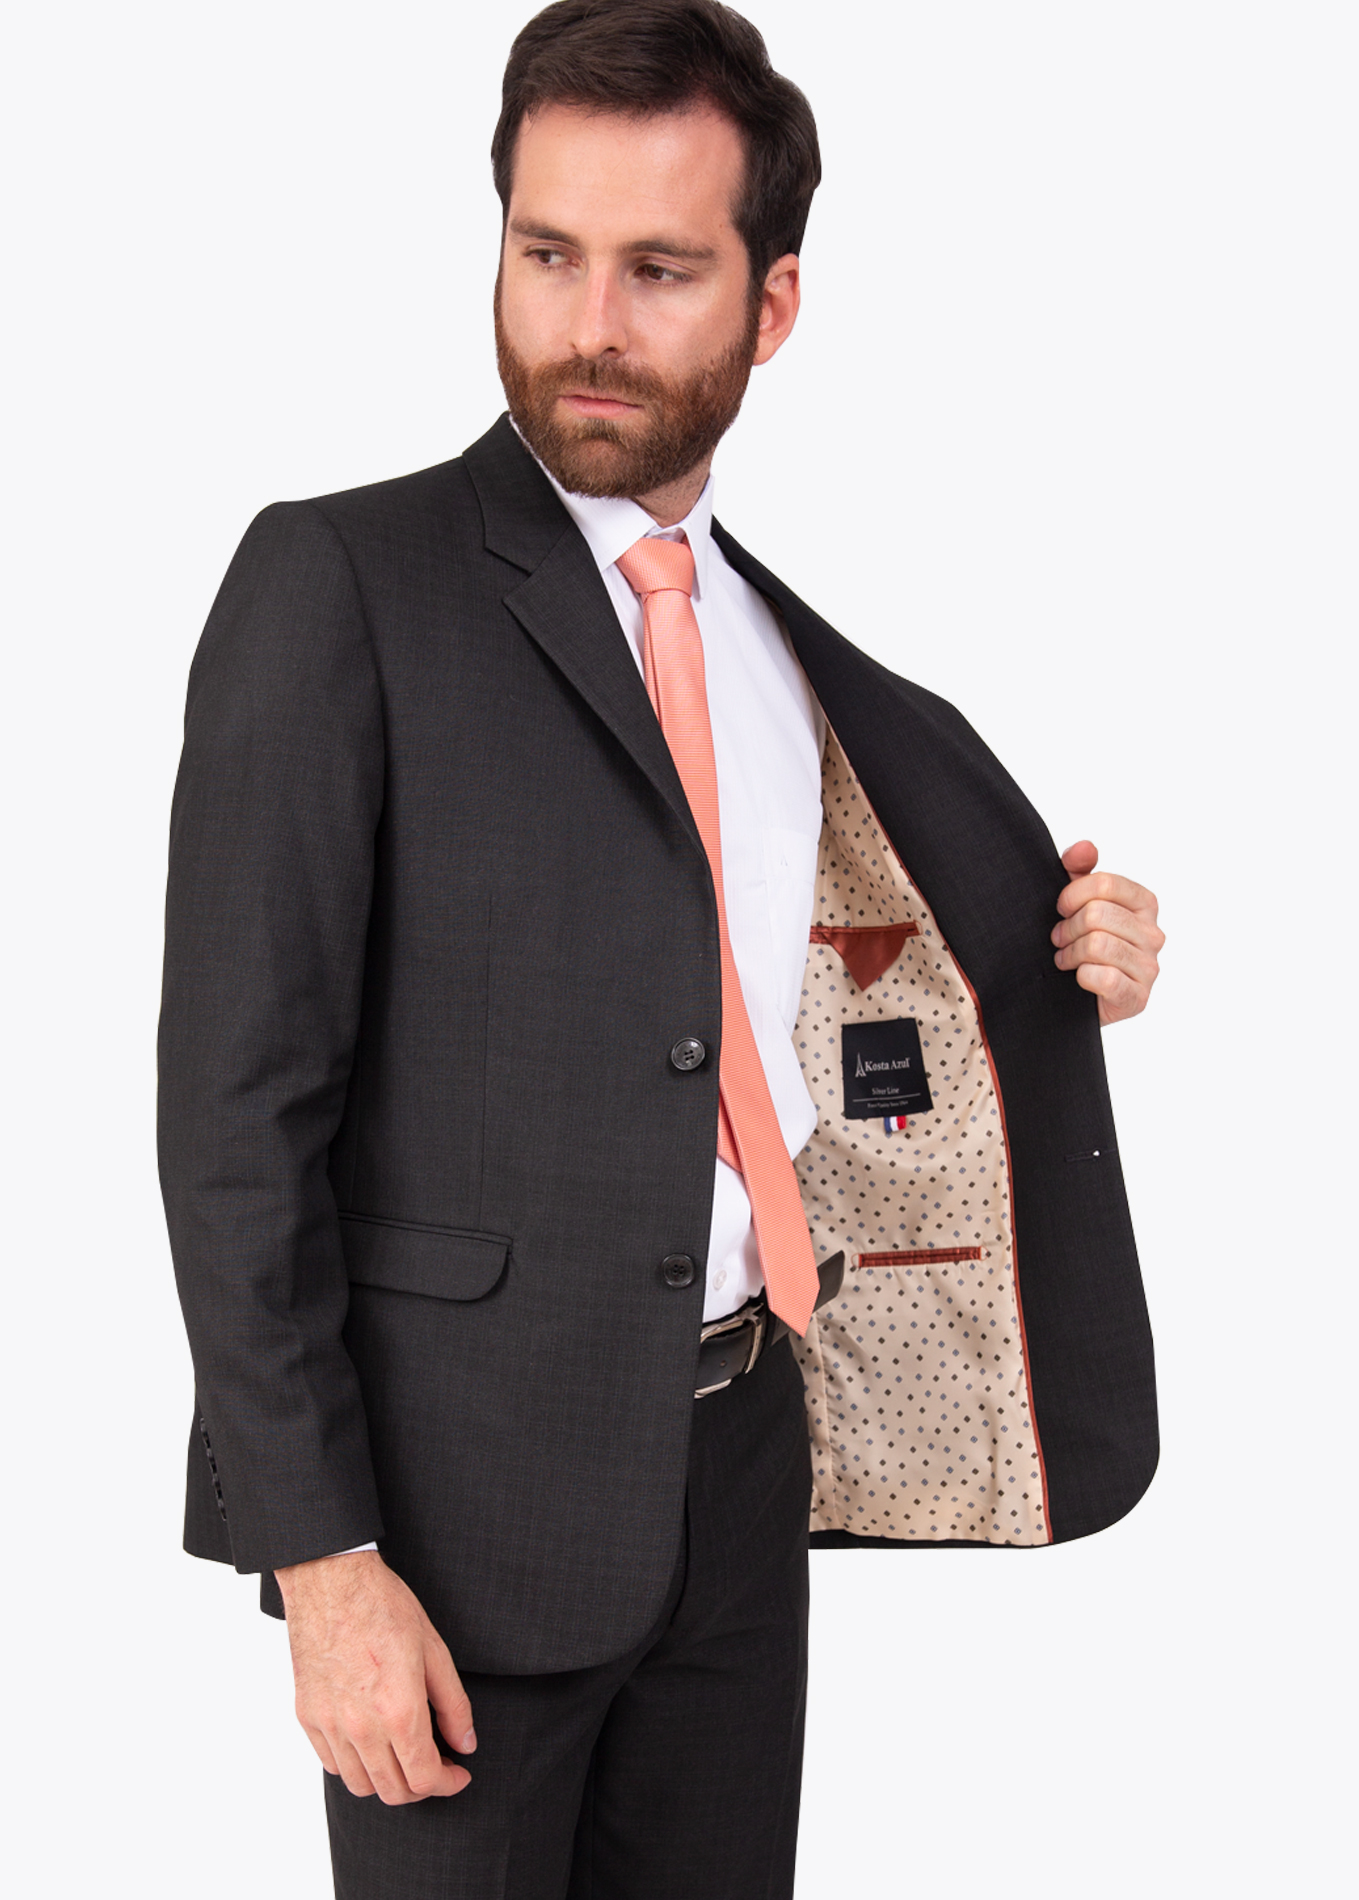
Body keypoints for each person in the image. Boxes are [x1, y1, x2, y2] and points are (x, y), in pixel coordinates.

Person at [158, 3, 1163, 1895]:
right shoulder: (341, 586)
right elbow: (235, 1124)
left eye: (659, 269)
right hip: (447, 1530)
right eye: (547, 254)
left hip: (738, 1469)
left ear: (772, 305)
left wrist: (1068, 957)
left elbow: (825, 983)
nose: (589, 324)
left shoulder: (784, 660)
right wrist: (322, 1563)